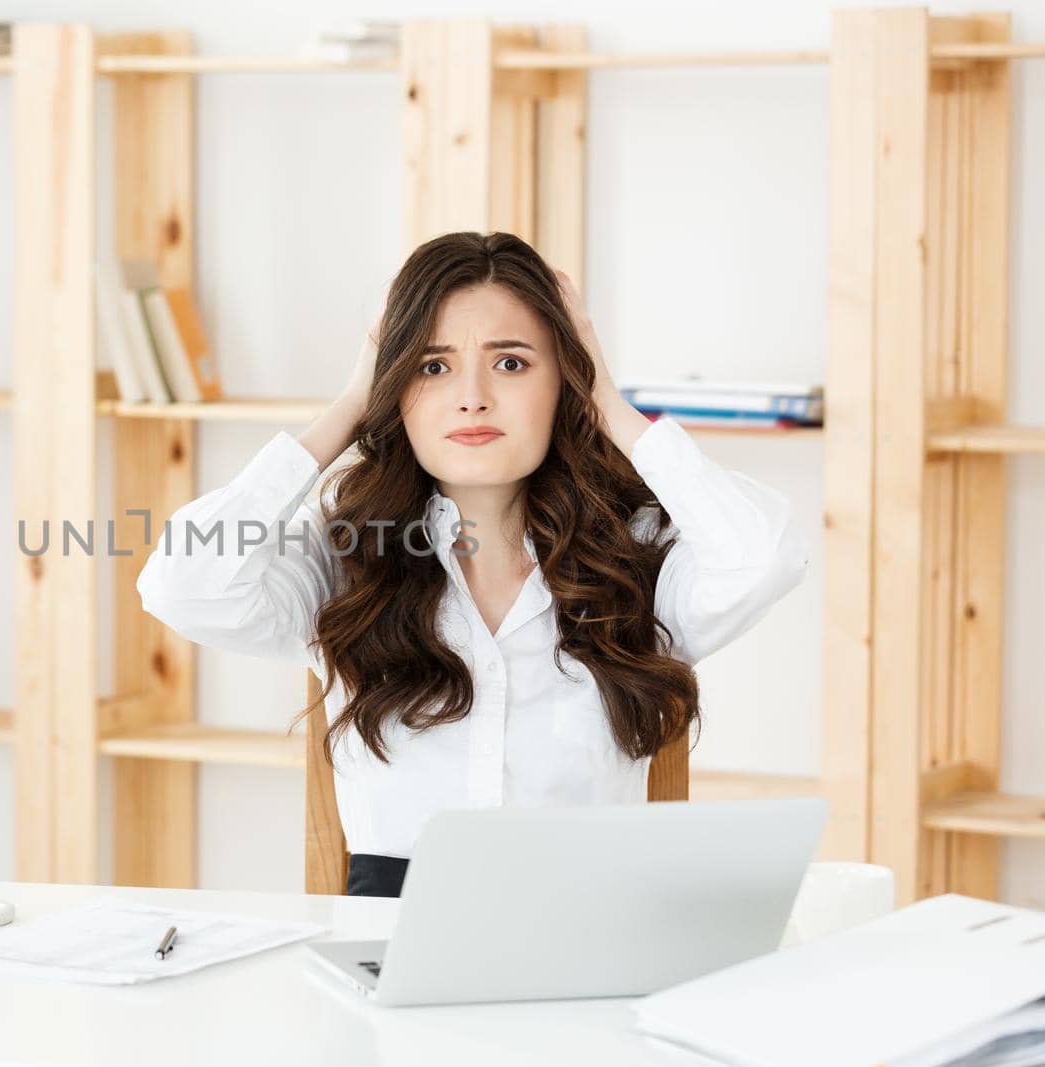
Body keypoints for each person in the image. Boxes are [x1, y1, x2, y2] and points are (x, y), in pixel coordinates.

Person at [135, 231, 810, 898]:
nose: (472, 396)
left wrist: (609, 401)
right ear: (394, 389)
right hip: (392, 946)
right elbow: (181, 583)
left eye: (511, 363)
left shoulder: (632, 556)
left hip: (589, 944)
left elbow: (766, 555)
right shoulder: (347, 562)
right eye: (432, 366)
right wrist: (345, 409)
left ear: (563, 381)